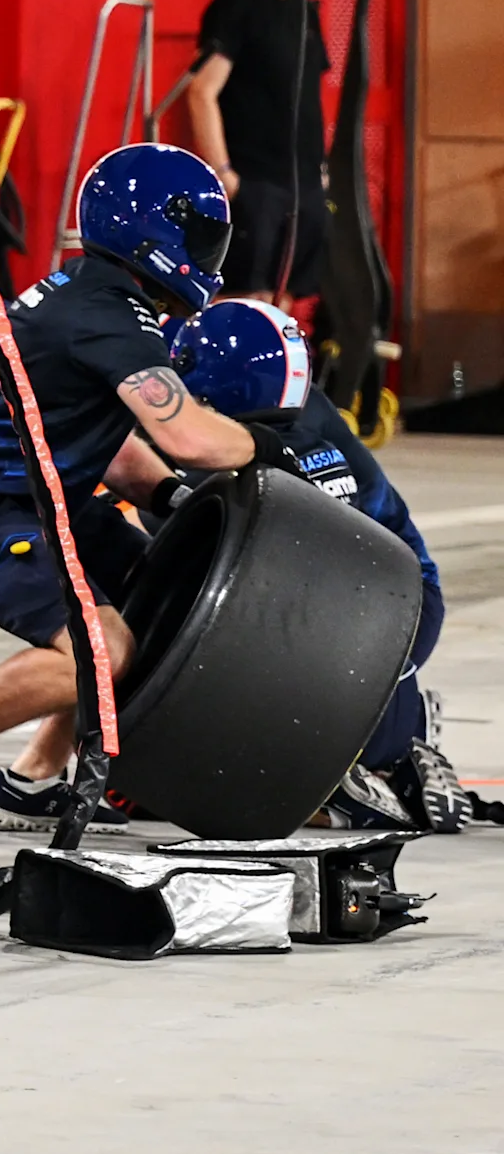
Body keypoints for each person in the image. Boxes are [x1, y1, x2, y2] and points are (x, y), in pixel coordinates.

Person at [0, 143, 258, 829]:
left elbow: (101, 437)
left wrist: (174, 500)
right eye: (200, 236)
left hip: (35, 495)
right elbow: (187, 435)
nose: (210, 254)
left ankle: (33, 780)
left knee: (155, 589)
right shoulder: (107, 311)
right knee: (102, 646)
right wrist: (264, 443)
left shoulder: (96, 294)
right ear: (159, 231)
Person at [168, 298, 476, 832]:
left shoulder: (245, 458)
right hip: (403, 615)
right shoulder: (313, 414)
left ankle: (324, 768)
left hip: (339, 637)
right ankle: (394, 743)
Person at [183, 0, 328, 299]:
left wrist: (323, 168)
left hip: (303, 182)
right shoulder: (235, 7)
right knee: (248, 299)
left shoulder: (305, 11)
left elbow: (310, 97)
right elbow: (201, 92)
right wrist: (225, 174)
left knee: (289, 300)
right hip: (254, 182)